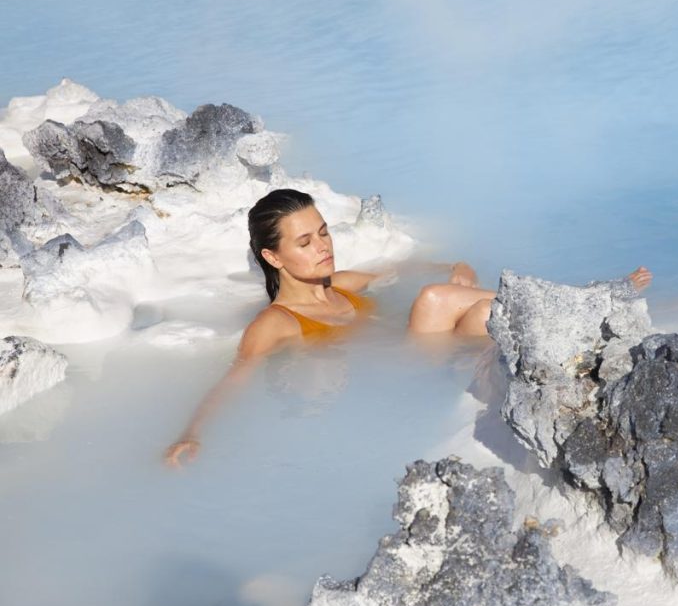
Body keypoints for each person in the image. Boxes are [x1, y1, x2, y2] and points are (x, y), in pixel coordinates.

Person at [163, 188, 652, 467]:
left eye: (325, 232)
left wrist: (454, 263)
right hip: (401, 378)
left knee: (477, 312)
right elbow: (235, 379)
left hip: (425, 357)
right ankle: (589, 301)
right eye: (305, 242)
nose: (323, 247)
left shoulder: (343, 283)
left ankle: (579, 311)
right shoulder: (276, 323)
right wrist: (192, 433)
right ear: (273, 257)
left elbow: (408, 266)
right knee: (436, 299)